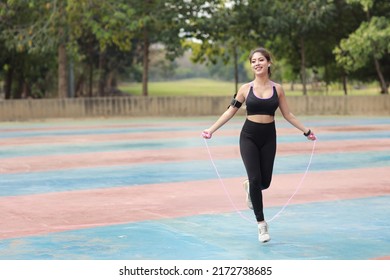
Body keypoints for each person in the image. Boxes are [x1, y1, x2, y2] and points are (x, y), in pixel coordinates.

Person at [202, 47, 316, 243]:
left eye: (261, 60)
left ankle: (249, 188)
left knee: (265, 183)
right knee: (255, 179)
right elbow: (230, 111)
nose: (257, 63)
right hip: (249, 137)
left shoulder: (277, 89)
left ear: (269, 63)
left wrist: (306, 131)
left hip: (269, 137)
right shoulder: (245, 89)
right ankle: (261, 225)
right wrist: (211, 130)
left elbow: (287, 114)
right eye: (253, 61)